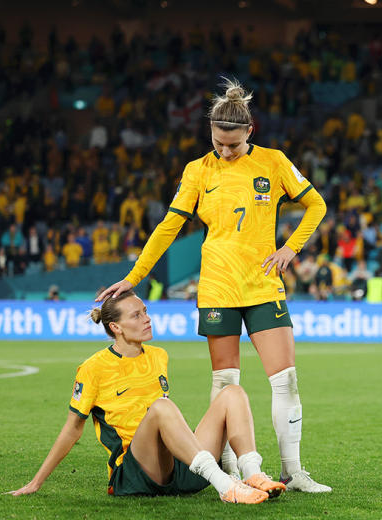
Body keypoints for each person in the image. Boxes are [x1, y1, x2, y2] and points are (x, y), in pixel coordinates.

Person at [97, 79, 330, 492]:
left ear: (249, 133)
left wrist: (291, 249)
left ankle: (293, 472)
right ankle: (229, 471)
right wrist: (134, 276)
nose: (224, 151)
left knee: (286, 379)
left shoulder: (274, 163)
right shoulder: (197, 171)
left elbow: (316, 204)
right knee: (226, 384)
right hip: (218, 288)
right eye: (218, 143)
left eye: (233, 146)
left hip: (262, 284)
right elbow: (169, 226)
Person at [7, 290, 285, 504]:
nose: (147, 318)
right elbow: (72, 430)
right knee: (162, 406)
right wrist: (36, 482)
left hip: (177, 464)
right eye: (136, 315)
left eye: (145, 311)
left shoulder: (159, 355)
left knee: (232, 393)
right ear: (115, 327)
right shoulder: (93, 368)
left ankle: (252, 472)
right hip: (134, 473)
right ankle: (225, 487)